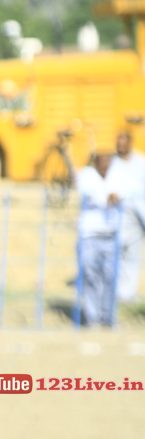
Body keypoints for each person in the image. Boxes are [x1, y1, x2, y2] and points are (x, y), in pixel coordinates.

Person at [76, 151, 127, 326]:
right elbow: (92, 194)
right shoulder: (87, 175)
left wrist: (115, 195)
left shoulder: (117, 175)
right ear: (95, 162)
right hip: (89, 235)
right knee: (90, 276)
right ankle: (91, 317)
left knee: (111, 277)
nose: (105, 164)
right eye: (101, 160)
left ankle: (108, 318)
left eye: (108, 161)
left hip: (111, 235)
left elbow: (126, 193)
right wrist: (109, 196)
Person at [111, 128, 145, 302]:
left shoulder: (140, 162)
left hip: (137, 216)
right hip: (117, 216)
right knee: (115, 254)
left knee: (133, 256)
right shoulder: (111, 162)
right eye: (118, 141)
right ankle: (115, 292)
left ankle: (128, 294)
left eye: (124, 141)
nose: (121, 145)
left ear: (130, 142)